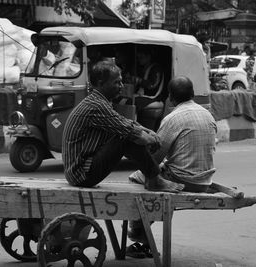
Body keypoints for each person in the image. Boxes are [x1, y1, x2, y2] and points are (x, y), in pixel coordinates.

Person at [126, 76, 217, 258]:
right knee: (153, 173)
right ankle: (143, 234)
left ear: (171, 98)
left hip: (181, 179)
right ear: (192, 94)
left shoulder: (173, 118)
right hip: (205, 181)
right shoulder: (208, 115)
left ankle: (138, 233)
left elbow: (154, 158)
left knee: (137, 178)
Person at [62, 60, 185, 193]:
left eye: (120, 82)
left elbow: (122, 122)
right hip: (82, 174)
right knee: (126, 137)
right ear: (101, 83)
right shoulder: (97, 106)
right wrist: (153, 139)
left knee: (127, 133)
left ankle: (152, 177)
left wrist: (148, 132)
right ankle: (154, 178)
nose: (121, 86)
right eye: (116, 82)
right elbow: (131, 132)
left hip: (79, 172)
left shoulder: (98, 102)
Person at [133, 48, 165, 112]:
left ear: (148, 57)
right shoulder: (142, 68)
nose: (139, 60)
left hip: (154, 97)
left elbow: (152, 85)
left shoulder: (156, 69)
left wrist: (139, 80)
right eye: (138, 58)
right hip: (144, 96)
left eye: (141, 57)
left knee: (133, 102)